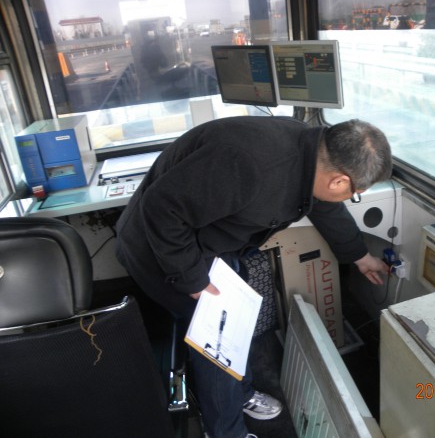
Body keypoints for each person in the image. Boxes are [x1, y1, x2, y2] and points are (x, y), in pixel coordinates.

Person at [115, 116, 392, 438]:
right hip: (164, 248)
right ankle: (226, 432)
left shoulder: (314, 153)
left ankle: (241, 393)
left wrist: (359, 256)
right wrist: (193, 281)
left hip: (213, 242)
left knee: (237, 326)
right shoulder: (248, 163)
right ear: (339, 181)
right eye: (354, 193)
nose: (349, 198)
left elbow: (323, 205)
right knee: (216, 345)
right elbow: (161, 210)